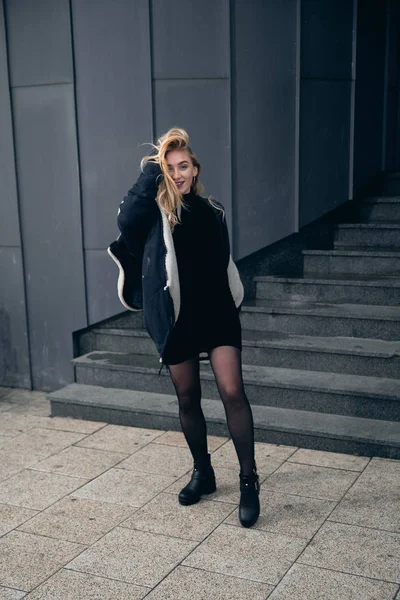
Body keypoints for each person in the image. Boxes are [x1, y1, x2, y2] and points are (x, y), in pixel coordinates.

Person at [108, 128, 260, 527]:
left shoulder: (214, 210)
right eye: (170, 168)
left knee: (232, 391)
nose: (178, 174)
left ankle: (248, 482)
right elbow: (125, 219)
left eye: (184, 166)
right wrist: (151, 168)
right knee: (188, 398)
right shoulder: (155, 213)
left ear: (195, 169)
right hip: (177, 316)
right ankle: (203, 473)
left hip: (217, 312)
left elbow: (222, 262)